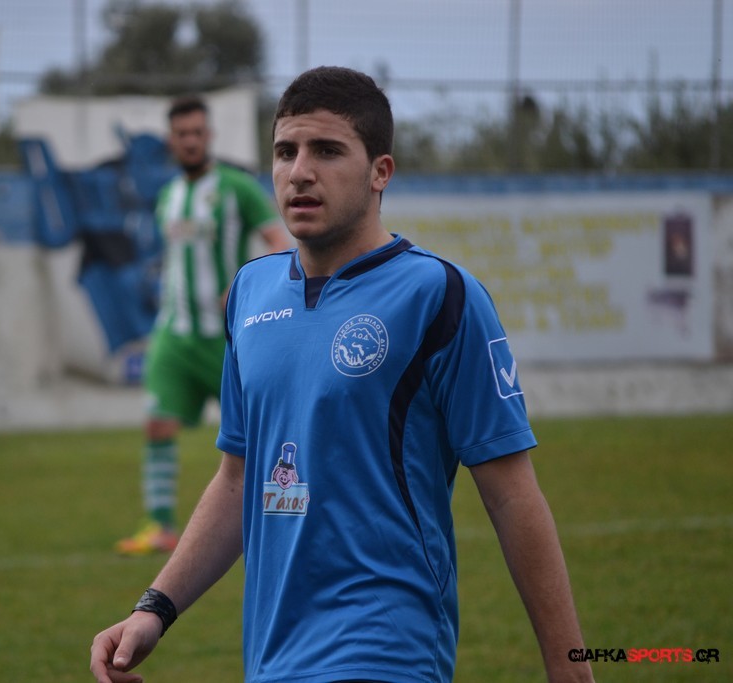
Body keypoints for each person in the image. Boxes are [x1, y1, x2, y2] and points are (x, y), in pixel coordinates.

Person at [91, 67, 594, 682]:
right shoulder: (250, 293)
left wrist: (571, 666)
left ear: (381, 171)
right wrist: (154, 609)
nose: (300, 171)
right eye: (285, 152)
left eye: (327, 151)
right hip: (272, 657)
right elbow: (238, 479)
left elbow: (511, 493)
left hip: (386, 651)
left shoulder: (438, 295)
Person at [114, 95, 289, 555]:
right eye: (182, 134)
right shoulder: (167, 197)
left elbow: (279, 243)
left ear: (208, 136)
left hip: (226, 340)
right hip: (173, 334)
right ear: (171, 141)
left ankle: (283, 517)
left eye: (197, 132)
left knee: (260, 437)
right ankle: (160, 526)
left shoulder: (237, 188)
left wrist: (247, 285)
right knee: (157, 423)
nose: (190, 141)